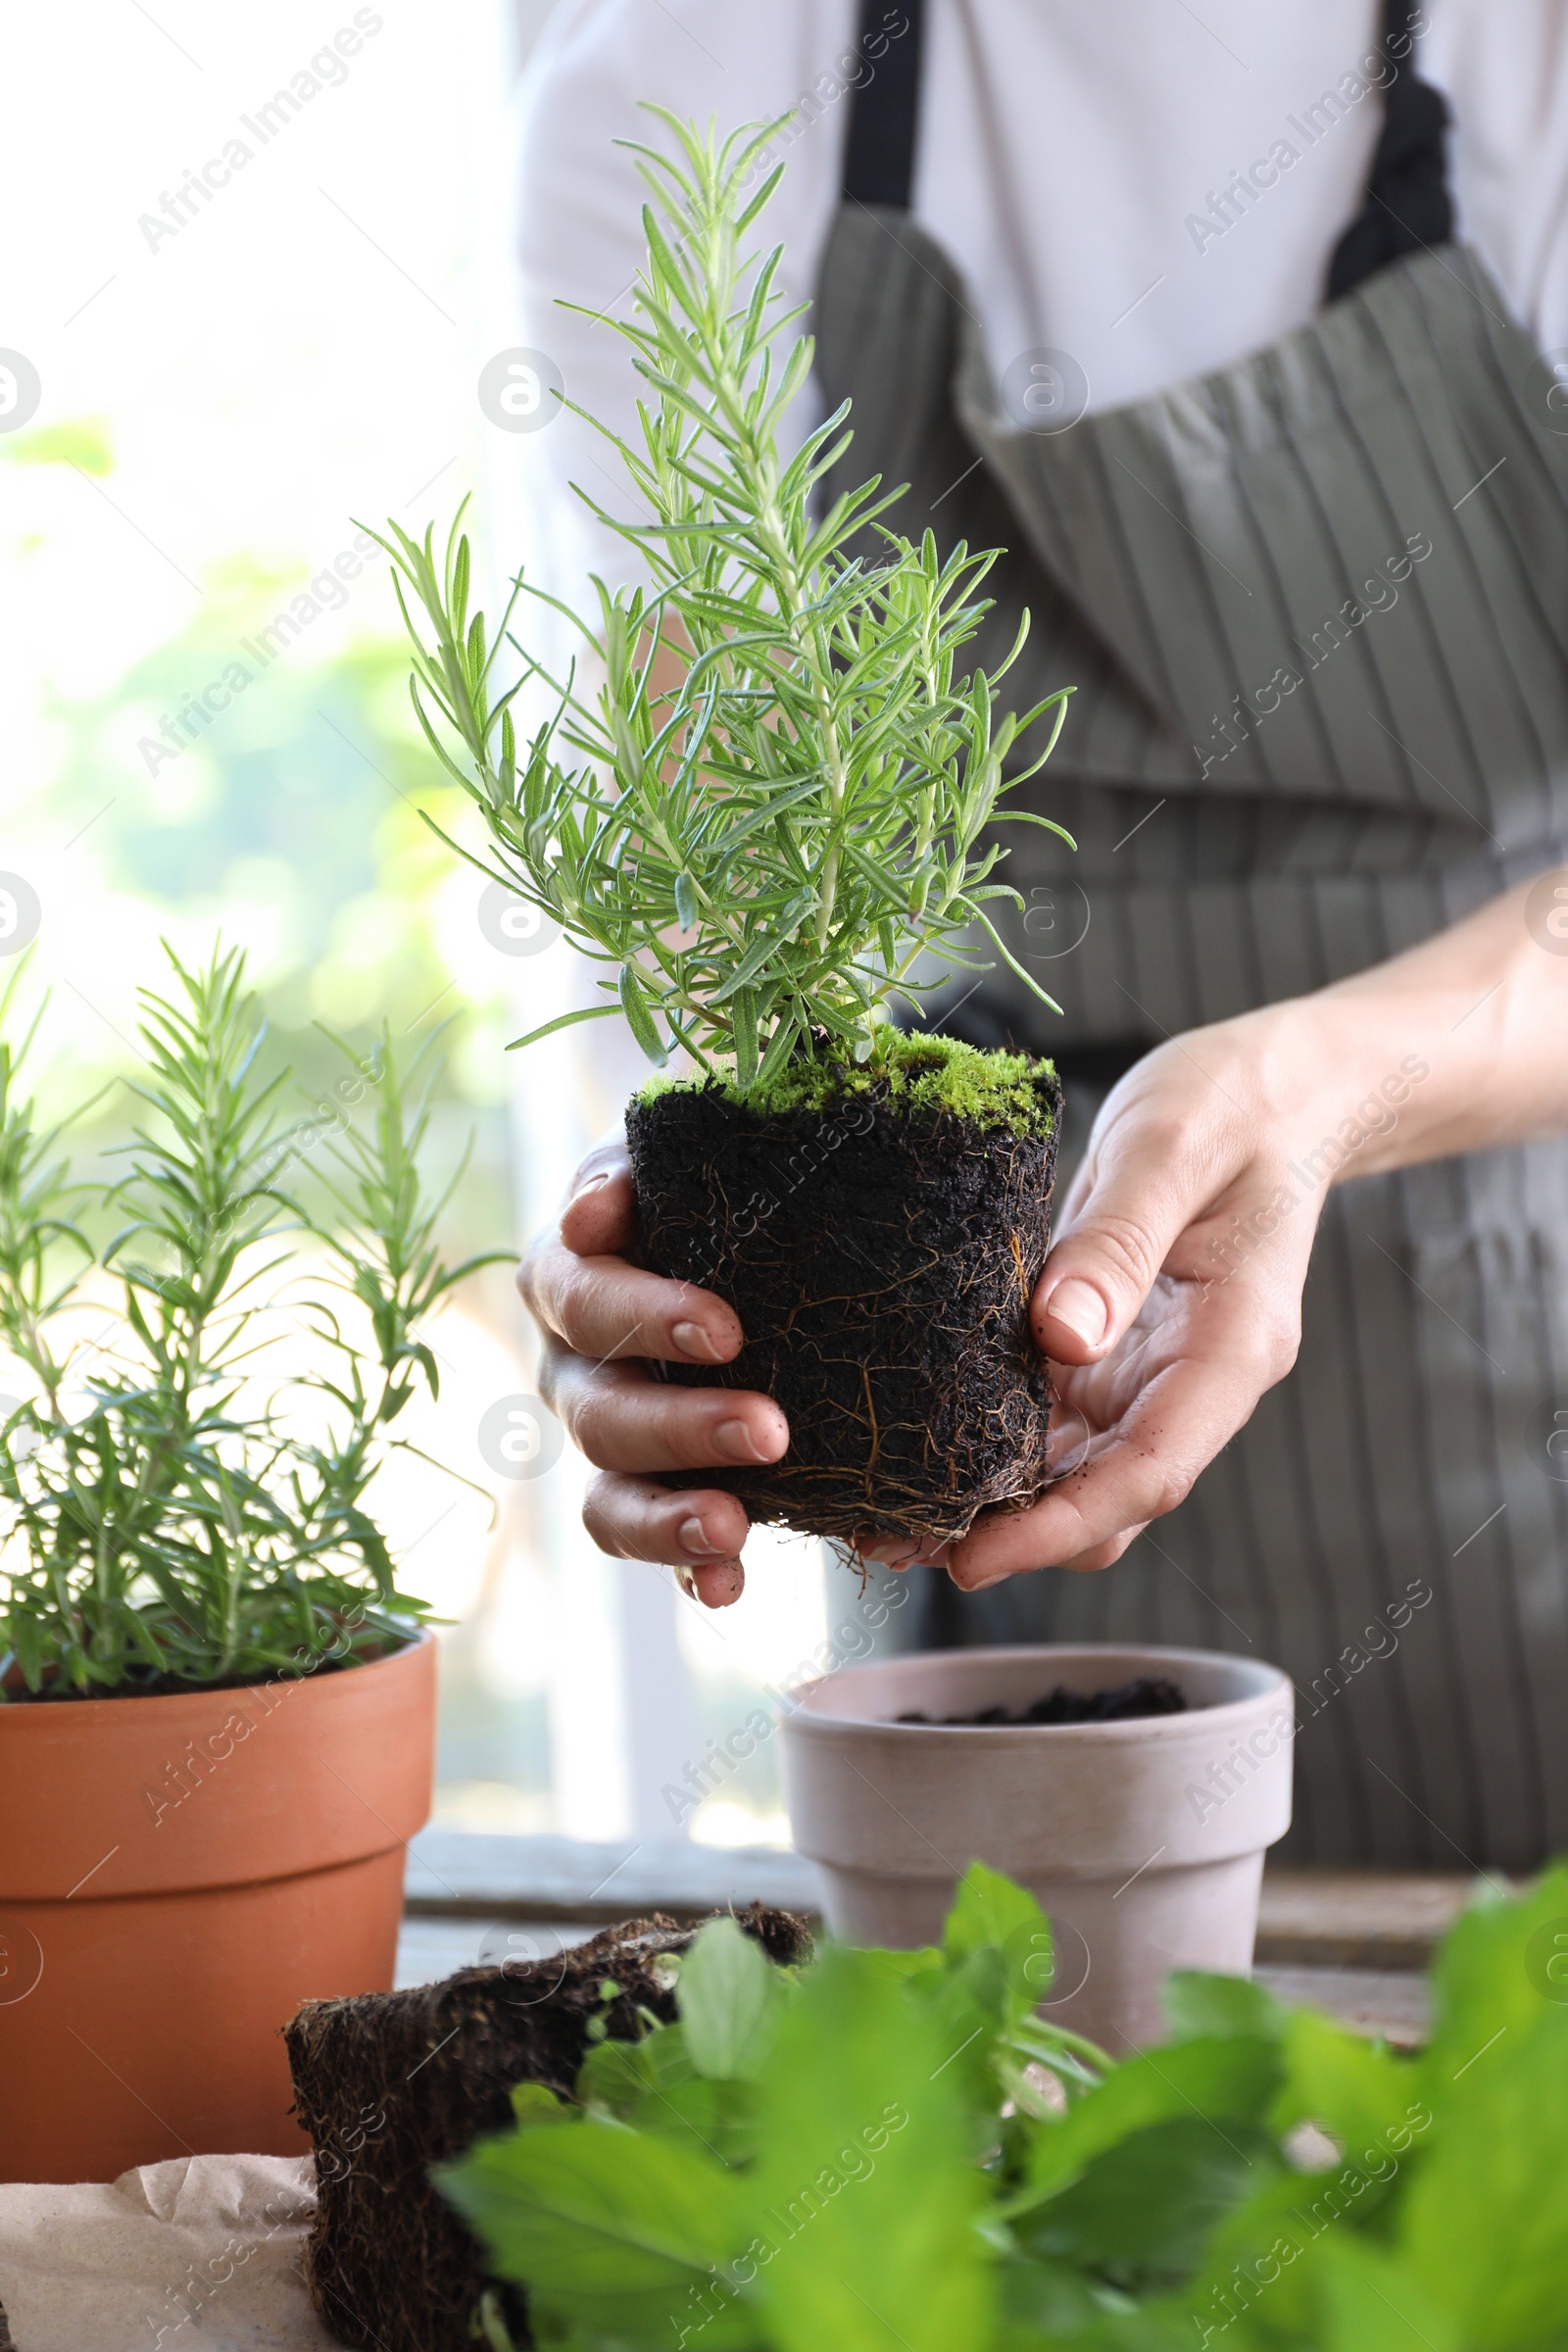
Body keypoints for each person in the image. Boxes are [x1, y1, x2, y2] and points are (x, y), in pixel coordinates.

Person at [512, 0, 1568, 1869]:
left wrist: (1313, 1082)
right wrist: (663, 1240)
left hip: (1515, 1350)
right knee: (1055, 2104)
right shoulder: (678, 89)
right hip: (993, 1397)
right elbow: (704, 883)